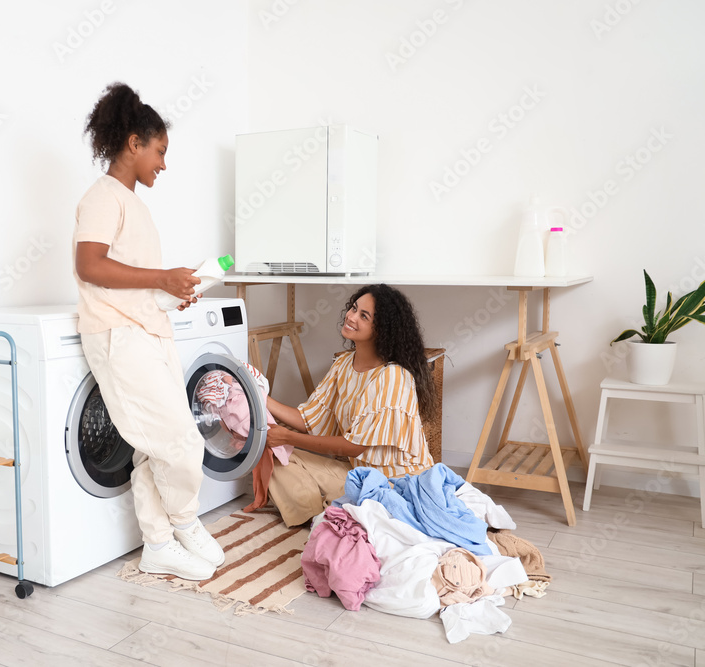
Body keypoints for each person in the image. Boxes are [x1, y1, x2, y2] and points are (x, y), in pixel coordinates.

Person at [73, 82, 224, 580]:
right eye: (159, 151)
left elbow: (128, 280)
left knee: (154, 445)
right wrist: (161, 277)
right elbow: (90, 265)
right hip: (118, 336)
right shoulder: (102, 197)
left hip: (148, 329)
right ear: (133, 142)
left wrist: (171, 292)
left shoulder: (135, 205)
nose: (163, 163)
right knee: (181, 441)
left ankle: (158, 544)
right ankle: (184, 521)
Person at [264, 284, 437, 526]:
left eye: (363, 316)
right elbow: (308, 418)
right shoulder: (343, 364)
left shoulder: (393, 376)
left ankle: (330, 513)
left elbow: (353, 447)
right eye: (354, 308)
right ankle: (320, 515)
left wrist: (287, 437)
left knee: (284, 447)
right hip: (358, 474)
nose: (351, 317)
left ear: (382, 330)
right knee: (272, 453)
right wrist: (261, 397)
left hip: (395, 482)